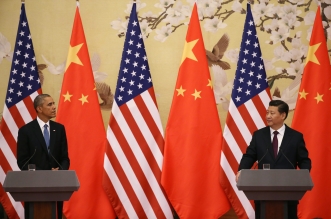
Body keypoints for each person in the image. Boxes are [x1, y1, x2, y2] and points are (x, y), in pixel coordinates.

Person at [235, 100, 311, 219]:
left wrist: (304, 175)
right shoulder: (259, 135)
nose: (268, 116)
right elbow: (249, 156)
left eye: (272, 113)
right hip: (263, 190)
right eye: (267, 113)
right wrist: (241, 170)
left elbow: (304, 160)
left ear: (283, 115)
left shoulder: (295, 137)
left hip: (288, 189)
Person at [17, 94, 70, 219]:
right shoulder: (26, 131)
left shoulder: (59, 129)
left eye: (53, 104)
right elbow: (23, 161)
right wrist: (45, 173)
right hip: (35, 185)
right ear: (39, 109)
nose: (54, 107)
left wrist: (60, 171)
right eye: (49, 104)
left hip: (56, 185)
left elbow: (64, 158)